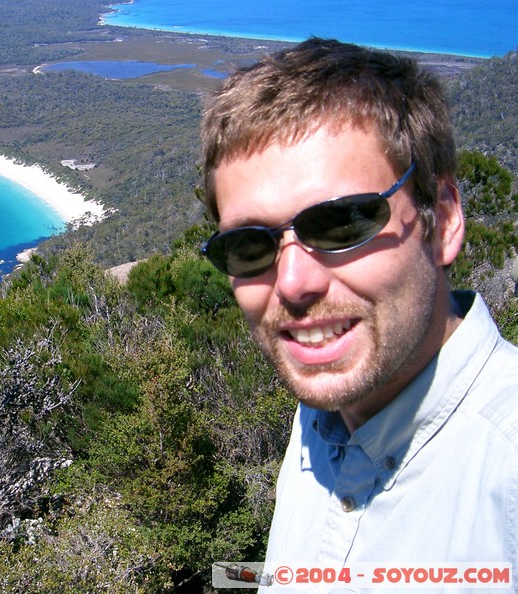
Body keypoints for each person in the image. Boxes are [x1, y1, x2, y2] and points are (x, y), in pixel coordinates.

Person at [199, 38, 518, 591]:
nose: (294, 283)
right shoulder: (320, 419)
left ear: (441, 221)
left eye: (343, 223)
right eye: (250, 245)